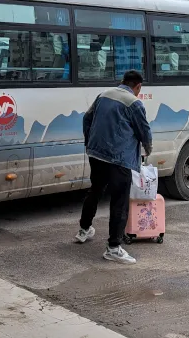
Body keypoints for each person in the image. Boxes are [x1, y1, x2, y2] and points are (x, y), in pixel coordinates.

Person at [76, 70, 153, 265]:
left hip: (96, 154)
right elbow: (144, 131)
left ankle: (84, 230)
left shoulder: (103, 95)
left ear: (122, 81)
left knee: (95, 190)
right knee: (119, 201)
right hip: (119, 159)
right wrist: (148, 148)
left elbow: (86, 119)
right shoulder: (134, 103)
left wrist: (89, 142)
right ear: (138, 87)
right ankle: (113, 248)